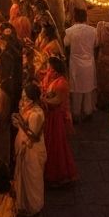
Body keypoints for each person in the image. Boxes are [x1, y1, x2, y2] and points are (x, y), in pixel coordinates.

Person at [41, 55, 78, 185]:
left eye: (49, 69)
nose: (47, 71)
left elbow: (56, 101)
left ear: (55, 71)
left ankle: (58, 174)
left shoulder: (61, 83)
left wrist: (42, 100)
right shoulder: (53, 79)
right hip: (51, 116)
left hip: (57, 118)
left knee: (57, 144)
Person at [12, 82, 47, 217]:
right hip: (24, 148)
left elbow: (33, 136)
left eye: (26, 98)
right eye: (22, 98)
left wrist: (20, 122)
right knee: (23, 178)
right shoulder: (29, 110)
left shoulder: (36, 115)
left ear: (32, 99)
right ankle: (23, 205)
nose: (23, 101)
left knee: (33, 180)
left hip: (32, 150)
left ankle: (35, 208)